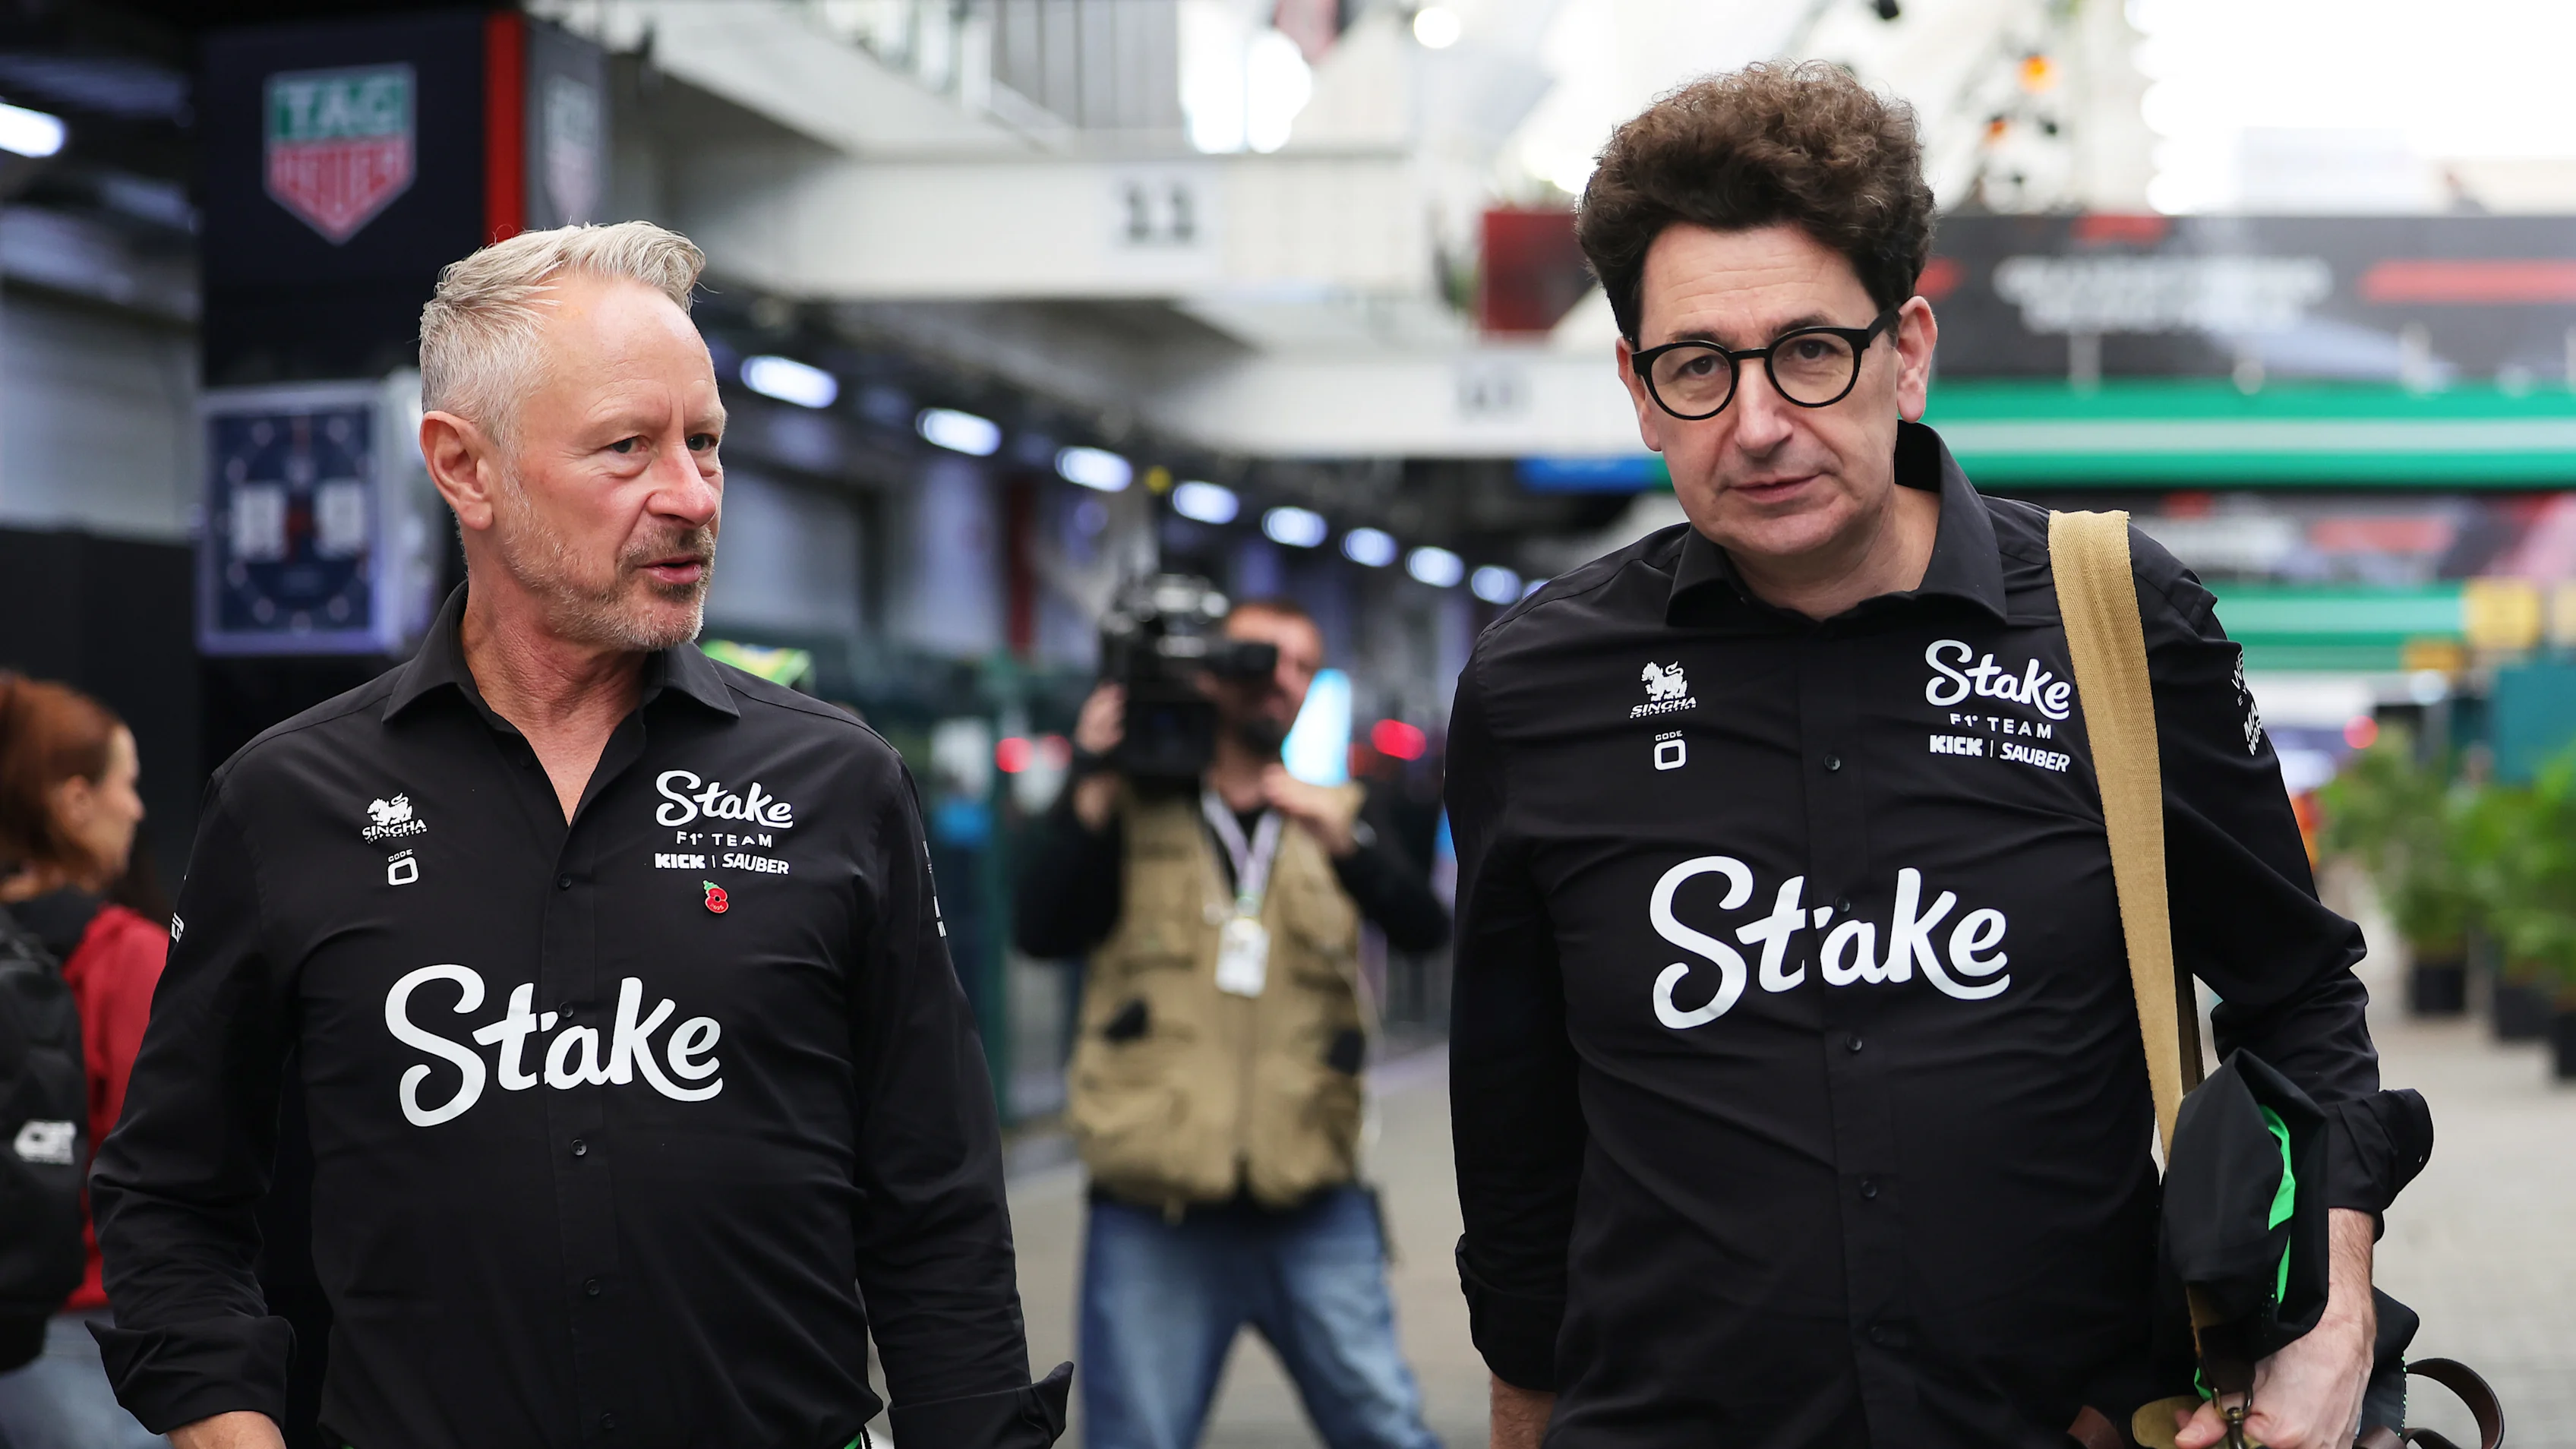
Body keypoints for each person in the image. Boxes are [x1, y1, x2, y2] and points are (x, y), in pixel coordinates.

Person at [1444, 65, 2420, 1449]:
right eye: (1696, 368)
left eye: (1808, 350)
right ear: (1638, 389)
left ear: (1905, 348)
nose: (1759, 419)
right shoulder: (1538, 682)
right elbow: (1514, 1122)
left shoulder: (2109, 616)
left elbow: (2299, 994)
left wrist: (2330, 1314)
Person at [89, 222, 1068, 1449]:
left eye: (704, 443)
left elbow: (939, 1220)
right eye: (627, 448)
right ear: (466, 467)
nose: (691, 494)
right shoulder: (291, 799)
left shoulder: (836, 781)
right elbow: (169, 1197)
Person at [1015, 598, 1450, 1449]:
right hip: (1154, 1205)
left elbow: (1426, 932)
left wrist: (1347, 839)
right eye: (1259, 660)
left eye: (1300, 667)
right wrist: (1091, 778)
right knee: (1136, 1434)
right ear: (1206, 670)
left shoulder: (1339, 811)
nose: (1279, 683)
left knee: (1386, 1428)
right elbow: (1041, 929)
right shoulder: (1128, 809)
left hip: (1313, 1195)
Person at [0, 675, 166, 1449]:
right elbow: (165, 1153)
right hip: (82, 1335)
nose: (136, 808)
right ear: (74, 802)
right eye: (125, 785)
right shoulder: (128, 955)